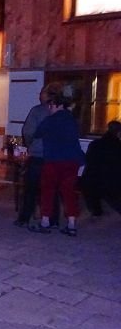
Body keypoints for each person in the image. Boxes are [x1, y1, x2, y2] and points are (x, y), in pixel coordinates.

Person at [29, 90, 85, 237]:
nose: (49, 108)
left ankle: (45, 222)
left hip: (53, 160)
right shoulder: (72, 119)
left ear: (56, 105)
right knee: (69, 192)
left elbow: (37, 133)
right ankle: (71, 224)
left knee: (48, 190)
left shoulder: (50, 120)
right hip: (72, 160)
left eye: (50, 106)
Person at [15, 84, 61, 228]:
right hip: (54, 157)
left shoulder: (37, 111)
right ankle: (53, 219)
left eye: (41, 93)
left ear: (47, 95)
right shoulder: (62, 112)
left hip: (38, 156)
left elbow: (28, 131)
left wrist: (31, 145)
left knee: (31, 189)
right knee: (52, 189)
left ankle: (25, 218)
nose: (39, 95)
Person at [80, 120, 121, 217]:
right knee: (113, 196)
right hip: (110, 179)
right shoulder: (118, 146)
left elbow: (88, 159)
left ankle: (96, 210)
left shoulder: (95, 144)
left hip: (93, 177)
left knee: (91, 189)